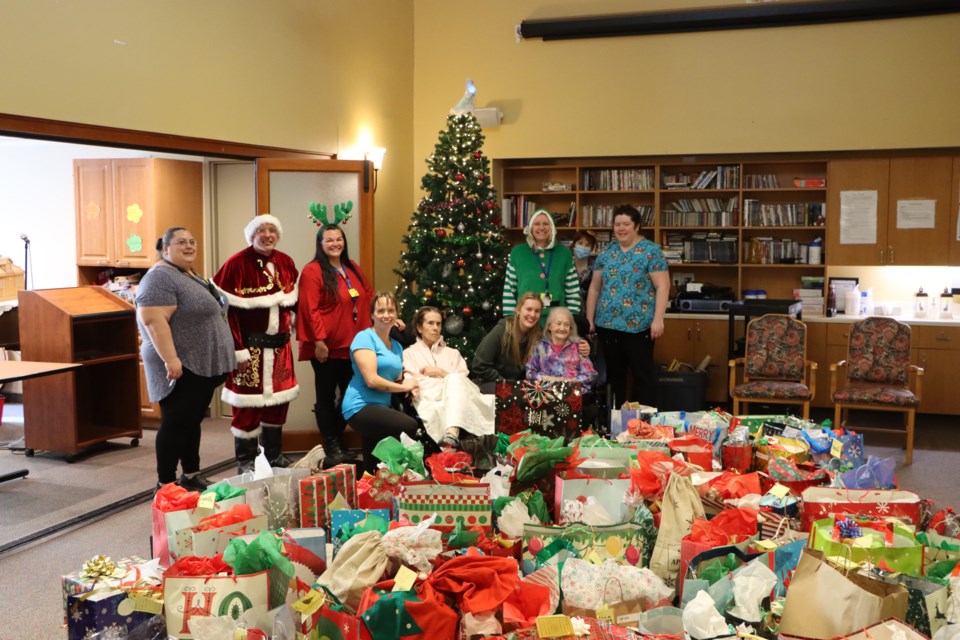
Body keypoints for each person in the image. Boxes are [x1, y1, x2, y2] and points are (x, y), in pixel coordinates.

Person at [136, 227, 235, 491]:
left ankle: (191, 474)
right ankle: (165, 483)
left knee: (190, 422)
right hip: (181, 364)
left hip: (198, 364)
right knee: (176, 424)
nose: (189, 246)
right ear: (165, 248)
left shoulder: (186, 274)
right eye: (181, 242)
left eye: (192, 241)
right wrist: (171, 360)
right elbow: (153, 321)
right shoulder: (159, 278)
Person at [213, 214, 299, 473]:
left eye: (272, 230)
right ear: (252, 235)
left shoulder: (285, 262)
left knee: (277, 404)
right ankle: (246, 460)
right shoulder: (237, 264)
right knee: (247, 407)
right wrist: (238, 349)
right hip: (249, 350)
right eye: (261, 230)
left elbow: (291, 301)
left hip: (280, 349)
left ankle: (274, 454)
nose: (268, 235)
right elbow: (229, 313)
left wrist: (293, 321)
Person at [296, 223, 373, 468]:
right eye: (329, 240)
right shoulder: (312, 271)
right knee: (326, 397)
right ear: (320, 244)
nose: (335, 244)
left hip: (355, 346)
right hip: (327, 347)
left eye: (339, 239)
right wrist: (318, 341)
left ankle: (334, 442)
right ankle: (332, 445)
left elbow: (368, 298)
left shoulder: (353, 268)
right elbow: (309, 309)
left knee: (351, 396)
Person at [586, 204, 670, 407]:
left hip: (639, 327)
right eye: (617, 224)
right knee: (615, 379)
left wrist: (658, 319)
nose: (621, 229)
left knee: (643, 378)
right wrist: (589, 320)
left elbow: (663, 286)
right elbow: (594, 289)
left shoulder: (651, 251)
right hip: (607, 326)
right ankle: (617, 425)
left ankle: (645, 426)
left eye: (626, 224)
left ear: (637, 226)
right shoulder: (606, 254)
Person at [341, 292, 419, 474]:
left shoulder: (397, 346)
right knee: (409, 425)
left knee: (375, 470)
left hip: (381, 408)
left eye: (391, 310)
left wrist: (412, 382)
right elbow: (372, 380)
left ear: (397, 314)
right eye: (381, 310)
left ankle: (330, 467)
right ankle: (406, 473)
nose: (386, 315)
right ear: (372, 315)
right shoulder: (364, 338)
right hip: (360, 406)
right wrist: (403, 387)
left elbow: (397, 377)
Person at [403, 306, 495, 449]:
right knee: (453, 381)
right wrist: (448, 380)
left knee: (457, 381)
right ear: (420, 327)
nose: (435, 328)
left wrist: (439, 372)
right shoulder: (409, 354)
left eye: (438, 324)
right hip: (430, 399)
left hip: (459, 399)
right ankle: (452, 432)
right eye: (430, 323)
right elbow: (416, 383)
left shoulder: (453, 353)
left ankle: (452, 431)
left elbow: (463, 384)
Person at [502, 209, 581, 321]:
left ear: (552, 227)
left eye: (545, 224)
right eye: (537, 224)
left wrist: (572, 318)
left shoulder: (564, 253)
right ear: (530, 228)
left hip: (557, 321)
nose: (541, 228)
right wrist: (510, 319)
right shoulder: (517, 253)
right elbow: (510, 290)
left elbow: (572, 290)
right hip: (526, 321)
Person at [526, 306, 598, 387]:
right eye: (558, 323)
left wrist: (570, 381)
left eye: (566, 324)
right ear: (550, 326)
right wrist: (546, 379)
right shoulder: (540, 346)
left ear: (570, 328)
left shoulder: (579, 346)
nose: (562, 328)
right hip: (546, 393)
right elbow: (530, 372)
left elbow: (591, 375)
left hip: (573, 393)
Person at [571, 230, 598, 306]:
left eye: (587, 245)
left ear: (591, 249)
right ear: (574, 245)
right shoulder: (567, 264)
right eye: (580, 243)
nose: (583, 247)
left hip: (591, 308)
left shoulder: (596, 265)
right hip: (570, 308)